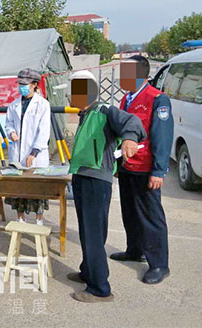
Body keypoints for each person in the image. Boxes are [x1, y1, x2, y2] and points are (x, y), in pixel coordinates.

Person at [66, 70, 146, 303]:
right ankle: (88, 271)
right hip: (82, 177)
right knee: (86, 231)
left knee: (93, 233)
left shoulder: (104, 110)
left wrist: (130, 138)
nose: (70, 97)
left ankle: (100, 288)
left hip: (95, 181)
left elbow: (132, 121)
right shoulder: (87, 113)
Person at [110, 55, 173, 285]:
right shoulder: (126, 99)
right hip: (128, 167)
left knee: (151, 217)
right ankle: (134, 250)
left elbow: (162, 137)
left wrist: (158, 170)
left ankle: (159, 264)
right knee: (130, 212)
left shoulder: (157, 99)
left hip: (146, 168)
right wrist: (118, 165)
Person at [5, 68, 51, 225]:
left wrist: (34, 152)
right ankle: (20, 219)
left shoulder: (43, 105)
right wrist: (11, 132)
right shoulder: (13, 105)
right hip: (17, 153)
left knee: (37, 189)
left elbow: (44, 131)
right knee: (19, 189)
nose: (22, 87)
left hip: (35, 157)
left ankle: (39, 220)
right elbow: (9, 123)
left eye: (25, 84)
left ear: (34, 85)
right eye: (20, 84)